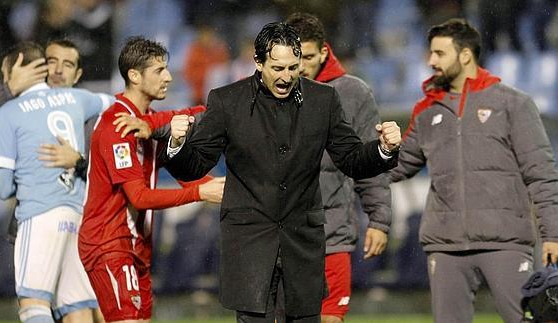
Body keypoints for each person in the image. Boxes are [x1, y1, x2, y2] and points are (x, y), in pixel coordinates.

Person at [162, 22, 402, 322]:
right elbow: (195, 164)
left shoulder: (323, 100)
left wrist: (383, 149)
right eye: (277, 68)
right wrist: (176, 144)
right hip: (249, 248)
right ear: (259, 63)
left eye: (292, 67)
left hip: (303, 246)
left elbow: (352, 159)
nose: (287, 77)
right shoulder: (227, 101)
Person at [388, 18, 558, 323]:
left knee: (529, 319)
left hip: (505, 240)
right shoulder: (427, 110)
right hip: (446, 245)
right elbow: (398, 168)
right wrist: (381, 151)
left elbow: (541, 173)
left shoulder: (513, 104)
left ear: (465, 55)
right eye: (431, 53)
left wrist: (553, 234)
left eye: (439, 53)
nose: (431, 61)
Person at [77, 36, 225, 323]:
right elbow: (140, 197)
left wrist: (224, 190)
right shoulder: (116, 125)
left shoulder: (148, 121)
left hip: (138, 246)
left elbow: (193, 115)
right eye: (159, 70)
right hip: (109, 244)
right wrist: (200, 194)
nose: (169, 77)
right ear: (134, 75)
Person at [0, 41, 113, 323]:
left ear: (14, 70)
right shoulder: (78, 99)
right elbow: (116, 102)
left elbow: (2, 188)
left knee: (33, 305)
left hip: (40, 213)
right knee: (76, 307)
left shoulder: (7, 113)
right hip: (76, 214)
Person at [286, 12, 391, 323]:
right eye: (294, 57)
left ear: (324, 51)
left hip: (332, 231)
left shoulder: (354, 93)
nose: (300, 66)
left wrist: (379, 220)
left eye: (306, 57)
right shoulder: (270, 89)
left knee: (331, 317)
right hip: (280, 235)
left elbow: (371, 162)